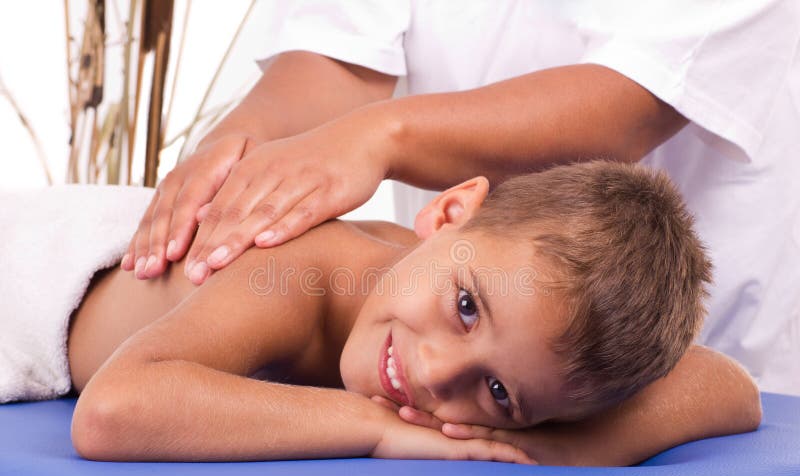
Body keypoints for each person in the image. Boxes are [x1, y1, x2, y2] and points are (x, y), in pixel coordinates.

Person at [122, 1, 800, 396]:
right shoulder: (317, 290)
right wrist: (247, 142)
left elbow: (630, 102)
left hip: (651, 338)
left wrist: (382, 135)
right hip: (470, 324)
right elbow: (340, 49)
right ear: (450, 210)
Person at [11, 160, 753, 465]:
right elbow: (113, 411)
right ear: (452, 209)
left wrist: (547, 447)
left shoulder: (484, 273)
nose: (434, 375)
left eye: (497, 393)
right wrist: (377, 429)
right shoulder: (295, 276)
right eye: (465, 308)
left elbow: (729, 388)